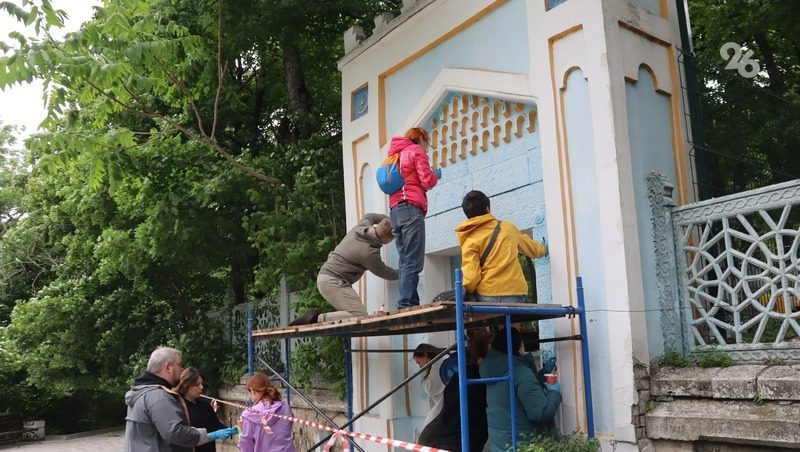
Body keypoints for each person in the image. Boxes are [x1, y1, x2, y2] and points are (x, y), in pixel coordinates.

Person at [288, 213, 398, 325]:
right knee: (359, 315)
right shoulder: (369, 253)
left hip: (327, 278)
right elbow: (385, 272)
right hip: (333, 282)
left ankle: (314, 317)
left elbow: (370, 216)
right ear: (387, 239)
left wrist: (391, 220)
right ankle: (315, 319)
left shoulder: (361, 227)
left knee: (357, 315)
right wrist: (406, 272)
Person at [124, 347, 237, 452]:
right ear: (168, 367)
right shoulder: (158, 396)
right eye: (179, 365)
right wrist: (209, 436)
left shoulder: (142, 392)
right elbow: (175, 433)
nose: (182, 369)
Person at [455, 190, 547, 303]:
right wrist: (544, 249)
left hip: (487, 296)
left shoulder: (469, 240)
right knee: (513, 319)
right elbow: (533, 249)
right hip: (514, 293)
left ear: (467, 215)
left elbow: (472, 277)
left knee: (489, 318)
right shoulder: (508, 228)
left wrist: (468, 290)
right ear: (487, 208)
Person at [479, 328, 561, 451]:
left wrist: (541, 375)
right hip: (522, 445)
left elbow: (515, 391)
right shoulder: (521, 372)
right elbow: (541, 413)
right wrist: (554, 392)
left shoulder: (493, 370)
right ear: (518, 347)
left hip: (501, 445)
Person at [388, 127, 441, 308]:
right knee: (413, 259)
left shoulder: (393, 155)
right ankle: (405, 303)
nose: (427, 149)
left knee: (404, 259)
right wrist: (436, 175)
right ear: (420, 139)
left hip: (395, 211)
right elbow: (426, 180)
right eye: (427, 143)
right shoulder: (415, 151)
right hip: (411, 207)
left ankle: (411, 300)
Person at [238, 372, 296, 452]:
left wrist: (242, 432)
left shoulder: (248, 414)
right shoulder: (284, 406)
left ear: (251, 390)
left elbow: (246, 443)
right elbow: (288, 429)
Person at [174, 367, 228, 452]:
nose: (201, 387)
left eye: (202, 384)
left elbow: (215, 425)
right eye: (197, 385)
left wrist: (229, 429)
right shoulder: (178, 407)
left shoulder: (205, 405)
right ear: (186, 385)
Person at [412, 343, 447, 445]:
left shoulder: (439, 363)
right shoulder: (439, 362)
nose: (420, 366)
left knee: (424, 440)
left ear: (426, 355)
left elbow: (431, 388)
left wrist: (424, 379)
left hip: (442, 408)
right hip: (441, 407)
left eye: (419, 362)